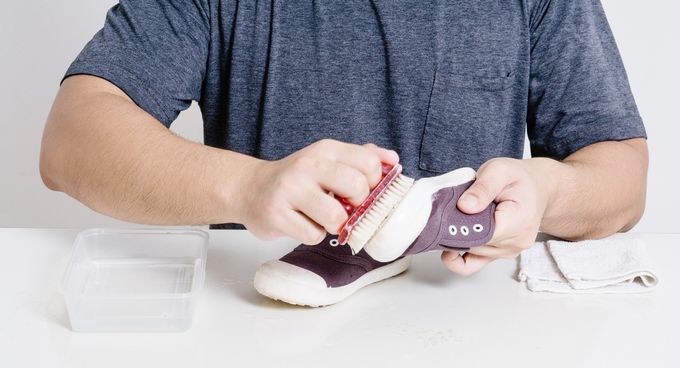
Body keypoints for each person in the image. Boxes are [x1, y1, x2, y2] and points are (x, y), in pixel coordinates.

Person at [40, 0, 648, 279]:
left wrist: (550, 191)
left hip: (464, 334)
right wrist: (245, 185)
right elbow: (72, 141)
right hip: (262, 336)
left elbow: (623, 179)